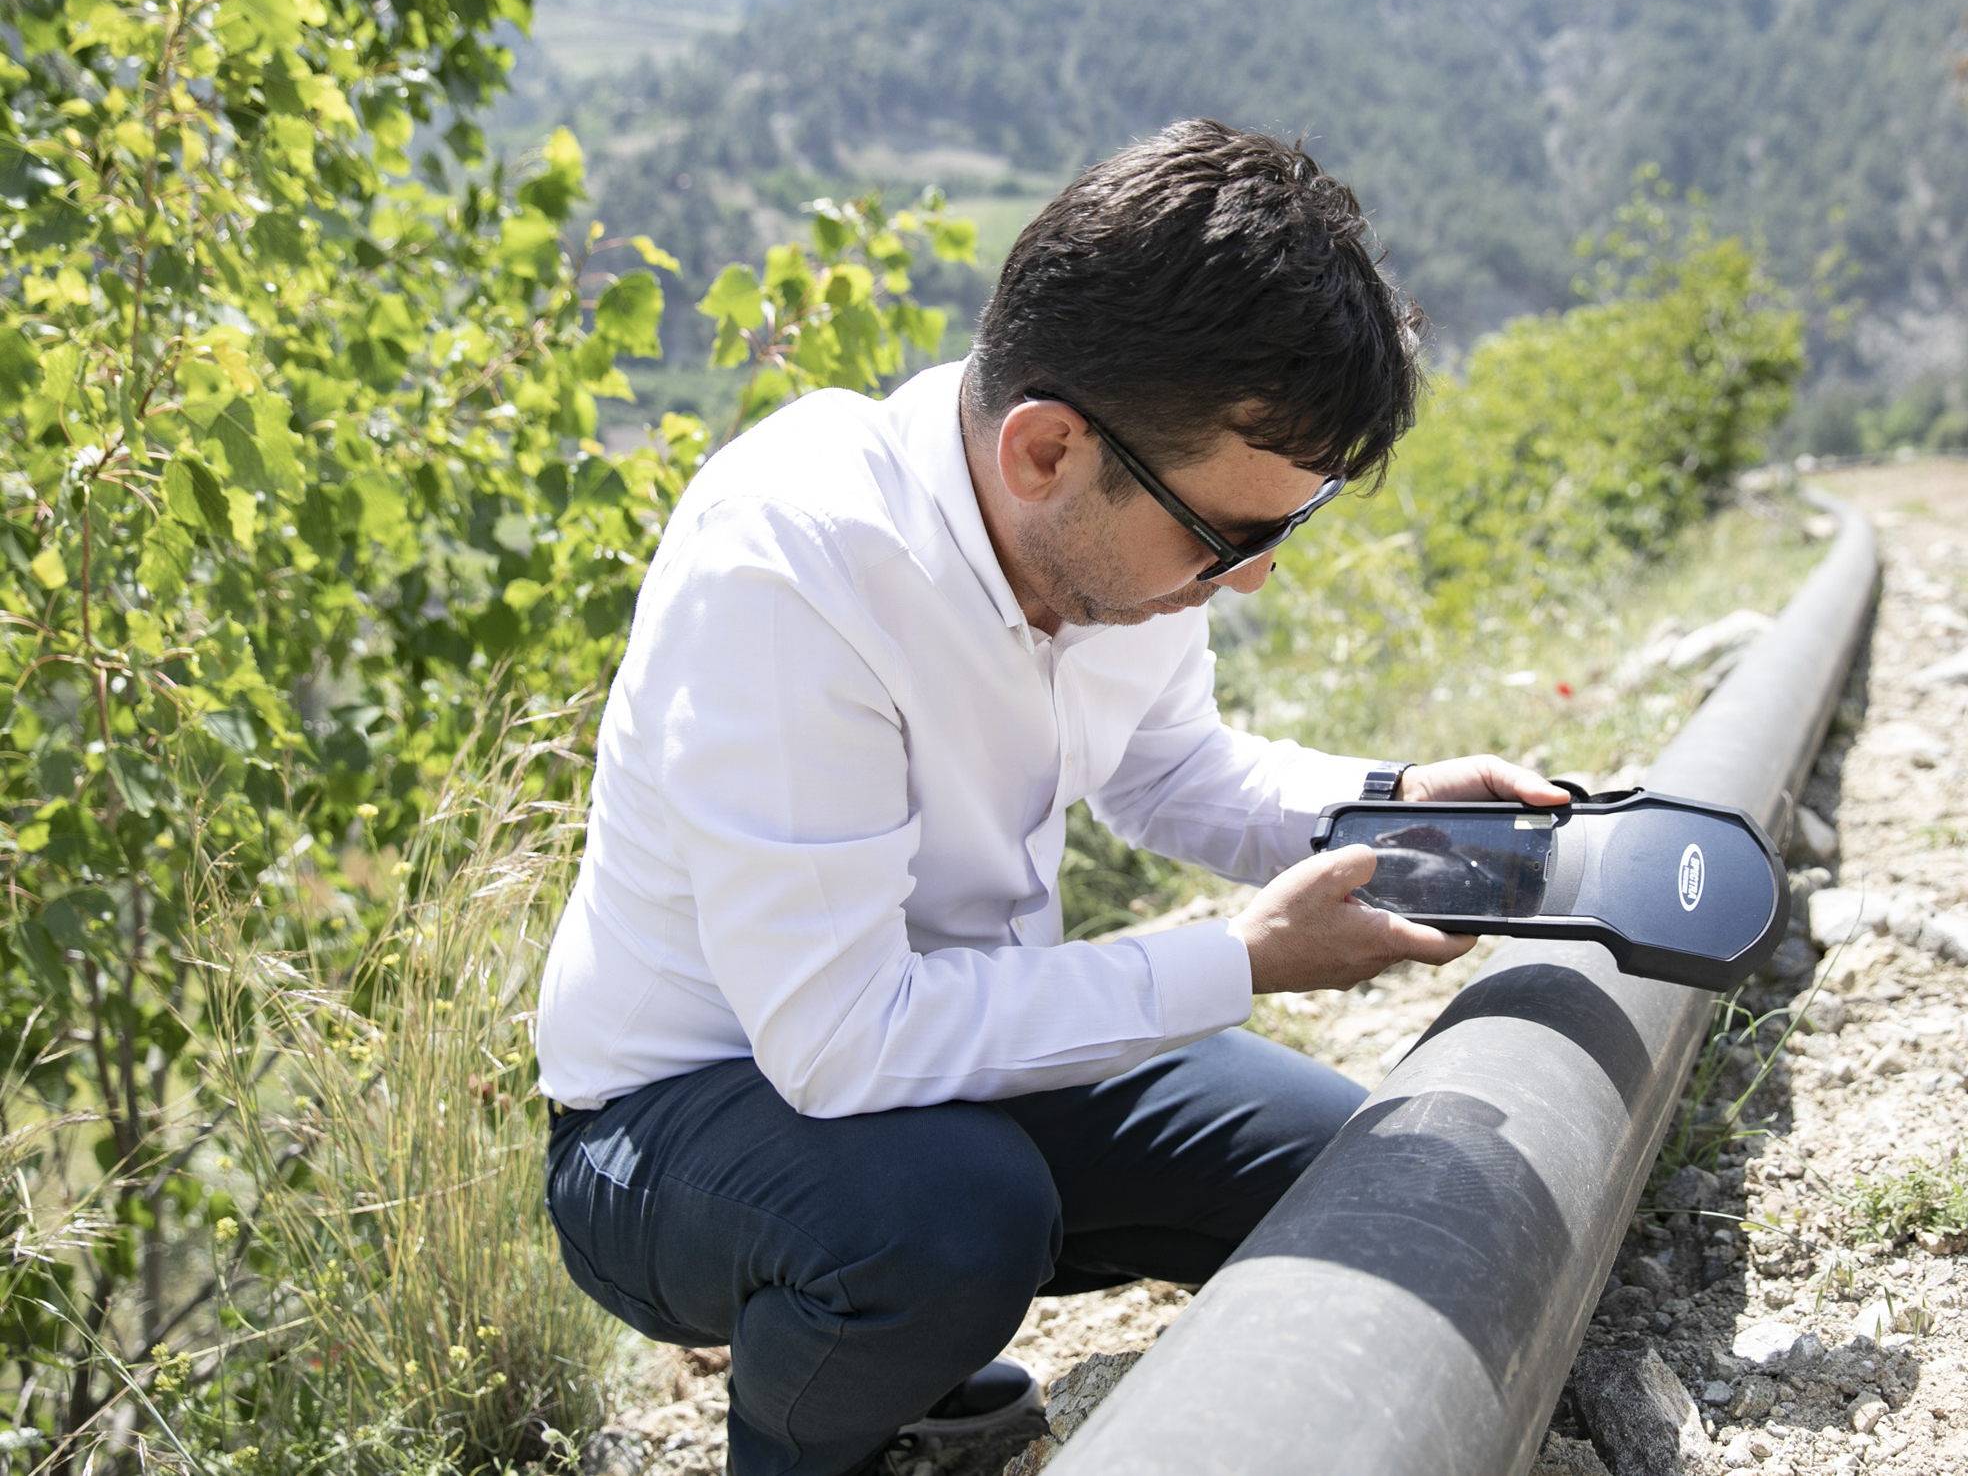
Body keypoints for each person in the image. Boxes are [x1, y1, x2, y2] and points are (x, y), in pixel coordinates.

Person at [534, 119, 1567, 1476]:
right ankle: (823, 1435)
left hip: (957, 1056)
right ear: (1044, 451)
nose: (1248, 579)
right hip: (682, 1127)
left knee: (1351, 1167)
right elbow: (840, 1045)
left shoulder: (1118, 525)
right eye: (1230, 537)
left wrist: (1383, 814)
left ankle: (920, 1355)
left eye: (1280, 533)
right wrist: (1242, 961)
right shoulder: (797, 567)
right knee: (949, 1222)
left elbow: (1171, 767)